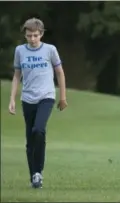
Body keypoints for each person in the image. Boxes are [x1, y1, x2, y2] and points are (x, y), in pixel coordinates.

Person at [8, 18, 68, 189]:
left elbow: (60, 73)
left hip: (46, 96)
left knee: (39, 130)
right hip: (27, 99)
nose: (32, 39)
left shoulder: (50, 50)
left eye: (35, 35)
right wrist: (12, 99)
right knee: (30, 139)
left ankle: (38, 172)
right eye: (29, 36)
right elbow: (17, 75)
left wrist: (62, 97)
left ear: (41, 34)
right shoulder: (20, 51)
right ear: (25, 35)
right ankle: (34, 176)